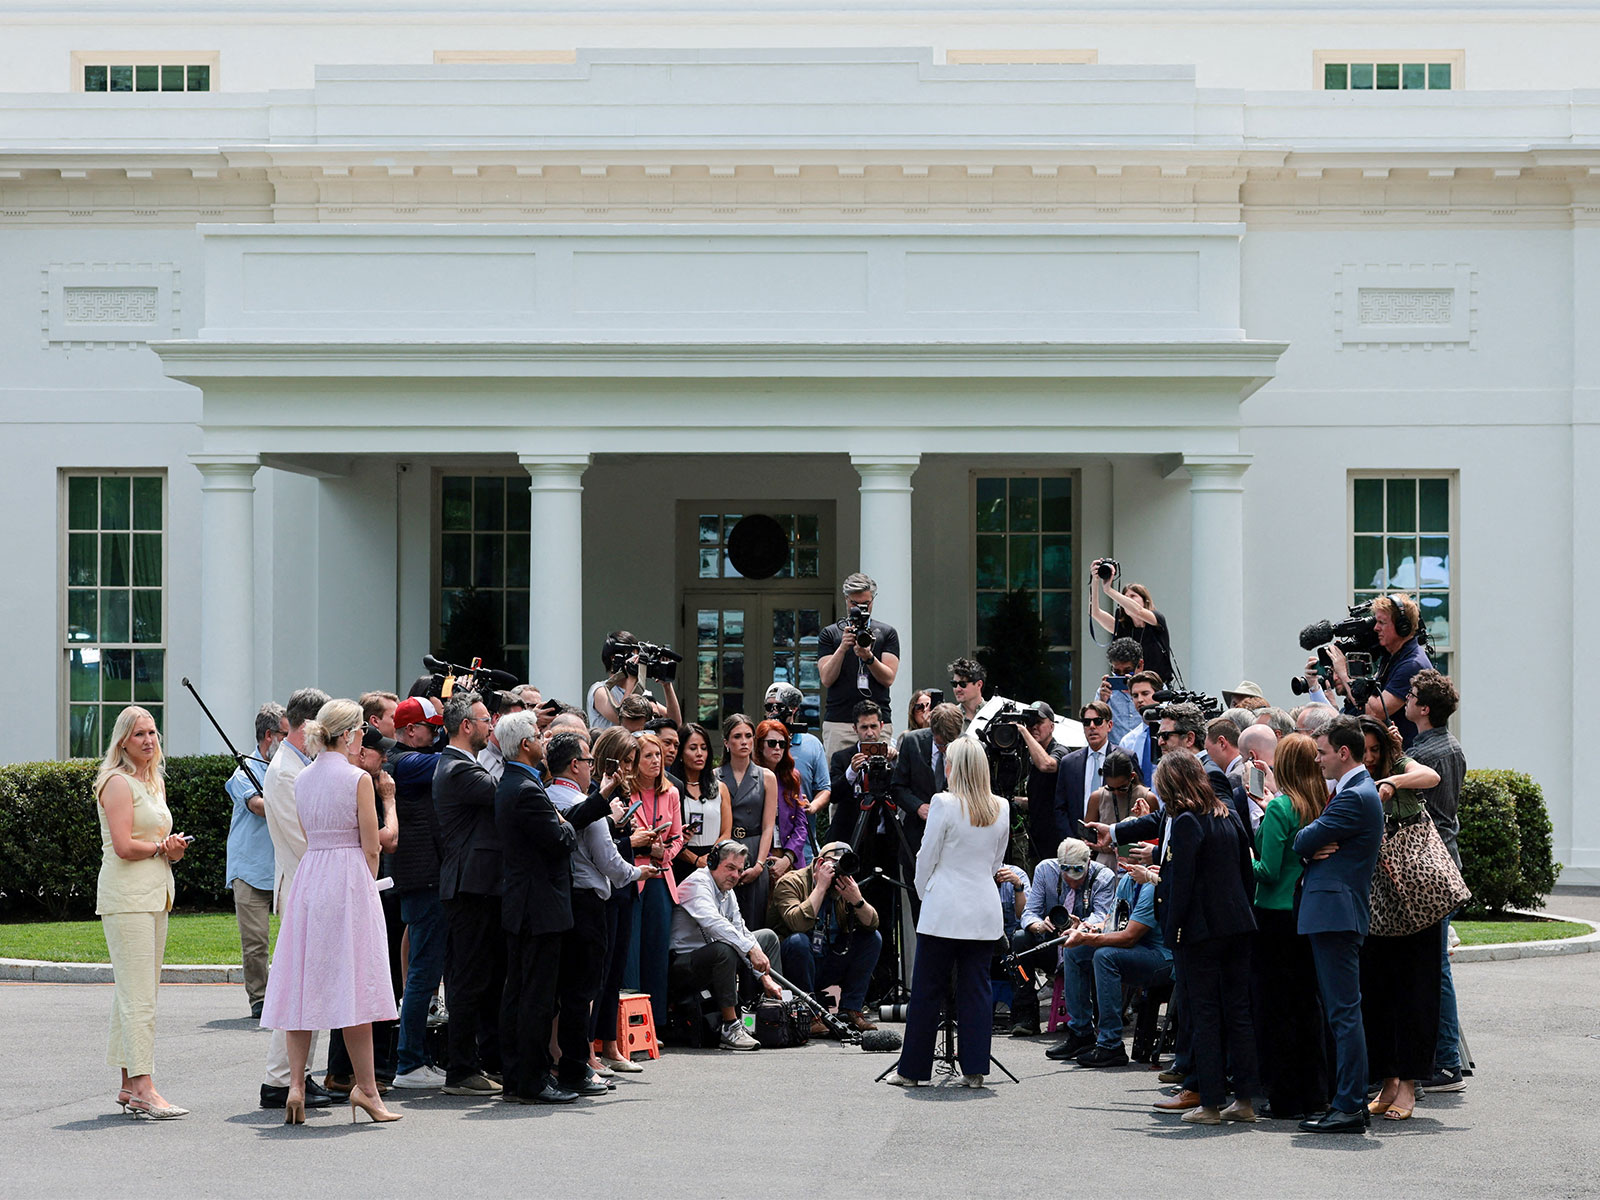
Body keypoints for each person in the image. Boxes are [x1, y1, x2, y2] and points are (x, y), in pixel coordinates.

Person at [260, 699, 401, 1125]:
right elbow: (371, 844)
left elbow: (306, 831)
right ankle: (368, 1090)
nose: (361, 739)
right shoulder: (358, 778)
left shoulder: (303, 778)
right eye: (359, 731)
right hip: (348, 878)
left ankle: (297, 1086)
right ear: (348, 734)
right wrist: (366, 879)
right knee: (354, 985)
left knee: (303, 982)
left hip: (311, 876)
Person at [888, 737, 1011, 1089]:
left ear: (956, 767)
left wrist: (926, 890)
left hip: (944, 905)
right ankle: (975, 1069)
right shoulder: (1000, 806)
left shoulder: (943, 802)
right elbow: (996, 863)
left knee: (927, 990)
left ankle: (911, 1071)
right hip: (982, 907)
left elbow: (926, 856)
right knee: (977, 990)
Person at [547, 728, 660, 1092]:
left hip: (558, 900)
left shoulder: (545, 796)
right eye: (588, 761)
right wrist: (640, 871)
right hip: (589, 901)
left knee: (559, 991)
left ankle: (560, 1061)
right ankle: (576, 1068)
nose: (591, 768)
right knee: (582, 992)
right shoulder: (589, 805)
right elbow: (610, 862)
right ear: (574, 765)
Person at [1153, 750, 1258, 1126]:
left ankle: (1211, 1103)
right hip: (1238, 925)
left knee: (1205, 1015)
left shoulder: (1185, 821)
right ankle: (1244, 1100)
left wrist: (1172, 929)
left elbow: (1180, 884)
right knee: (1238, 1013)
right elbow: (1247, 871)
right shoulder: (1226, 814)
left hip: (1199, 932)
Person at [1292, 715, 1386, 1134]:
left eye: (1323, 752)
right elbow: (1311, 840)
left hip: (1336, 913)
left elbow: (1302, 840)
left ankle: (1348, 1105)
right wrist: (1312, 843)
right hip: (1335, 912)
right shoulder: (1353, 792)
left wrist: (1310, 843)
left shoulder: (1355, 796)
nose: (1318, 760)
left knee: (1343, 1013)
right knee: (1342, 1012)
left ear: (1343, 752)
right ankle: (1348, 1102)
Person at [94, 706, 189, 1120]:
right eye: (140, 735)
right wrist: (160, 849)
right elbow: (123, 845)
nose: (149, 740)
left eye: (153, 733)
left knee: (135, 993)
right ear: (122, 742)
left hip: (155, 894)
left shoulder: (152, 782)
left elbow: (154, 840)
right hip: (127, 897)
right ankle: (146, 1087)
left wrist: (173, 849)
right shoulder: (116, 783)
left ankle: (128, 1086)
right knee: (138, 997)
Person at [1356, 715, 1443, 1123]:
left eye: (1376, 750)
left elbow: (1431, 777)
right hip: (1374, 901)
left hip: (1416, 898)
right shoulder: (1350, 781)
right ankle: (1389, 1081)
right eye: (1364, 751)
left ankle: (1408, 1083)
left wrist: (1393, 781)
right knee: (1377, 993)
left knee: (1416, 991)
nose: (1371, 758)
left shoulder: (1401, 766)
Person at [258, 686, 334, 1112]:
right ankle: (281, 1078)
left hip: (310, 882)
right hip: (302, 883)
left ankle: (295, 1074)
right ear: (306, 726)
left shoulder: (298, 764)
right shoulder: (286, 772)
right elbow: (303, 839)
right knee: (298, 986)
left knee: (309, 986)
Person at [1249, 733, 1331, 1121]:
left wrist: (1239, 859)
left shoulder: (1281, 807)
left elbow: (1267, 870)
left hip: (1274, 913)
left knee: (1276, 1010)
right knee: (1308, 1007)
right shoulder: (1320, 803)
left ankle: (1284, 1096)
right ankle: (1315, 1092)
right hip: (1307, 912)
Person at [432, 691, 505, 1097]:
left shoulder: (463, 765)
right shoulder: (458, 769)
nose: (490, 727)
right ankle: (460, 1069)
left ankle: (477, 1062)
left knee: (482, 977)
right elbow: (503, 793)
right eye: (484, 721)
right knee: (468, 980)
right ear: (466, 727)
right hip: (468, 886)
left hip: (477, 885)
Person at [1405, 669, 1470, 1093]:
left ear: (1424, 708)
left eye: (1410, 695)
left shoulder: (1430, 753)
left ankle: (1446, 1062)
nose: (1405, 700)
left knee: (1434, 968)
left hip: (1431, 865)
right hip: (1442, 861)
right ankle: (1445, 1057)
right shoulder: (1442, 746)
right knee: (1433, 967)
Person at [668, 839, 783, 1051]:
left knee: (766, 937)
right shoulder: (697, 883)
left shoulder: (727, 890)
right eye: (730, 867)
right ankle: (730, 1028)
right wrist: (751, 950)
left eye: (739, 870)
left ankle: (766, 1014)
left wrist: (765, 976)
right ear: (712, 862)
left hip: (713, 958)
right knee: (725, 949)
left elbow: (741, 929)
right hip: (684, 965)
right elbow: (714, 924)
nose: (735, 875)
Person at [387, 697, 448, 1091]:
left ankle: (418, 1058)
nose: (439, 733)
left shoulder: (408, 759)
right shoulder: (404, 763)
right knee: (422, 977)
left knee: (425, 976)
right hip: (422, 879)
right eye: (434, 726)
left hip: (424, 878)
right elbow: (452, 761)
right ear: (411, 730)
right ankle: (409, 1063)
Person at [1057, 860, 1172, 1068]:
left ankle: (1111, 1044)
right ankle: (1081, 1033)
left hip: (1163, 958)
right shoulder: (1127, 880)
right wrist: (1088, 928)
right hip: (1138, 951)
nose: (1122, 859)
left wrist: (1086, 938)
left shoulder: (1151, 885)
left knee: (1105, 956)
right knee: (1074, 950)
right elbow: (1112, 922)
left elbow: (1129, 937)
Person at [768, 841, 883, 1034]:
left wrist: (857, 900)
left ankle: (851, 1009)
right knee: (799, 941)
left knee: (872, 939)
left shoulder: (844, 887)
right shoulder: (791, 882)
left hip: (827, 958)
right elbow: (797, 924)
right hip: (795, 964)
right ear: (820, 863)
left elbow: (872, 923)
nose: (840, 873)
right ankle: (809, 1013)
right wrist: (820, 888)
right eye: (835, 865)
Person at [1018, 839, 1114, 1044]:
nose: (1073, 882)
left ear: (1088, 863)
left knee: (1095, 951)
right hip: (1051, 941)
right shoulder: (1045, 869)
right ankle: (1026, 1015)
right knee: (1019, 940)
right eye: (1067, 877)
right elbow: (1029, 912)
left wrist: (1082, 926)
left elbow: (1102, 915)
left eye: (1078, 878)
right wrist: (1039, 925)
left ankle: (1089, 1025)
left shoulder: (1103, 876)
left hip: (1085, 941)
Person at [224, 702, 286, 1019]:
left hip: (282, 867)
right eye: (284, 735)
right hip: (249, 869)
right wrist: (286, 798)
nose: (289, 741)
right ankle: (259, 998)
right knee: (256, 942)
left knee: (293, 937)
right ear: (268, 735)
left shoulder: (288, 767)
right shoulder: (242, 773)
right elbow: (258, 806)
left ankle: (287, 994)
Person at [628, 731, 684, 1033]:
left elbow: (676, 838)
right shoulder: (628, 792)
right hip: (634, 876)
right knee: (632, 951)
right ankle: (630, 1023)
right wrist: (650, 848)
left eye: (658, 756)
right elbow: (626, 837)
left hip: (661, 877)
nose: (655, 761)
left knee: (656, 951)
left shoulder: (672, 792)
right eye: (647, 755)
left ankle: (656, 1024)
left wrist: (665, 853)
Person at [1324, 593, 1432, 747]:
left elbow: (1375, 712)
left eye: (1382, 622)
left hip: (1406, 755)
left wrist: (1343, 670)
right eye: (1376, 622)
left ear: (1403, 627)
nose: (1376, 628)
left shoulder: (1413, 664)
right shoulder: (1392, 655)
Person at [816, 572, 901, 757]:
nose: (861, 608)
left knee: (879, 777)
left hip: (877, 721)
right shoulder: (830, 634)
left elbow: (888, 678)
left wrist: (869, 657)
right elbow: (826, 678)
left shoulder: (887, 633)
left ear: (873, 599)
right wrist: (843, 647)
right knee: (839, 778)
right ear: (846, 599)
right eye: (854, 603)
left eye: (865, 603)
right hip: (840, 721)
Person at [890, 702, 965, 903]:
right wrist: (918, 807)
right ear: (931, 731)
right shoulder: (912, 742)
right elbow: (897, 787)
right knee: (919, 905)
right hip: (917, 837)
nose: (945, 750)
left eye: (950, 745)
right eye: (941, 745)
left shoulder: (967, 747)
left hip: (955, 841)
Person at [716, 713, 779, 929]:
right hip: (725, 847)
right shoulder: (715, 776)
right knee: (723, 919)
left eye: (748, 736)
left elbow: (768, 825)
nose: (744, 741)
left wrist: (760, 865)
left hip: (754, 848)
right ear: (726, 742)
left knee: (753, 920)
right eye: (737, 736)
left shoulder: (766, 776)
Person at [764, 682, 831, 849]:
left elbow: (825, 788)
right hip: (765, 842)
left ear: (793, 708)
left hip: (803, 841)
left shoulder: (812, 744)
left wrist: (812, 806)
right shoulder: (759, 742)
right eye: (768, 706)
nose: (773, 712)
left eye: (778, 707)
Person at [1088, 559, 1173, 686]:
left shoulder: (1156, 619)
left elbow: (1138, 611)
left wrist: (1109, 590)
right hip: (1128, 688)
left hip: (1157, 687)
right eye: (1125, 597)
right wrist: (1095, 581)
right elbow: (1095, 613)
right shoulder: (1123, 627)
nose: (1127, 600)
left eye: (1133, 596)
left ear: (1145, 601)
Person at [826, 700, 896, 847]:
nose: (869, 733)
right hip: (850, 834)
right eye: (864, 727)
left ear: (881, 726)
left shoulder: (891, 756)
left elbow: (899, 791)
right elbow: (833, 795)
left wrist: (893, 763)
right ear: (855, 728)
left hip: (885, 836)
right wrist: (851, 772)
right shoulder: (842, 758)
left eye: (873, 726)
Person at [587, 630, 681, 731]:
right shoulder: (599, 690)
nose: (636, 662)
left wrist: (667, 685)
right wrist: (631, 678)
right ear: (614, 658)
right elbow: (623, 718)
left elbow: (674, 723)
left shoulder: (642, 692)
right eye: (632, 657)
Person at [674, 723, 732, 883]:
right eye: (693, 748)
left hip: (713, 861)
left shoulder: (721, 788)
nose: (699, 753)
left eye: (704, 748)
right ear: (680, 753)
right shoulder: (671, 788)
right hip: (679, 861)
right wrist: (694, 859)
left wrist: (710, 857)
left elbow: (726, 831)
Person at [1054, 701, 1113, 859]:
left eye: (1098, 721)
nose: (1092, 726)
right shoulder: (1069, 762)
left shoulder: (1123, 758)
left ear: (1109, 725)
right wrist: (1073, 842)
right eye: (1086, 722)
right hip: (1076, 846)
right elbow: (1060, 807)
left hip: (1111, 846)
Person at [1016, 702, 1068, 865]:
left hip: (1056, 839)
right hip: (1036, 837)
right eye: (1030, 723)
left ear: (1051, 726)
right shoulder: (1029, 756)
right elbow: (1038, 800)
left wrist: (1024, 732)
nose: (1034, 727)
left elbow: (1048, 765)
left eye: (1039, 722)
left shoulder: (1060, 750)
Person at [755, 719, 812, 866]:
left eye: (782, 744)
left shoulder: (792, 777)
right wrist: (766, 860)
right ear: (760, 745)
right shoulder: (751, 778)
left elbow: (801, 824)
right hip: (759, 857)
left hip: (790, 857)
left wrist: (787, 859)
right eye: (772, 743)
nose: (777, 748)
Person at [1116, 670, 1163, 783]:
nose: (1140, 700)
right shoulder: (1128, 742)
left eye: (1145, 693)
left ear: (1159, 695)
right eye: (1135, 696)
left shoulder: (1174, 735)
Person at [1097, 636, 1145, 742]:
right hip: (1116, 754)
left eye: (1128, 672)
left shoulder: (1154, 688)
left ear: (1140, 665)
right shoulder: (1106, 691)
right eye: (1117, 672)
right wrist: (1102, 702)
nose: (1123, 676)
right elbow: (1095, 726)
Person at [947, 658, 986, 728]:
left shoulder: (994, 713)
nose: (958, 689)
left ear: (979, 684)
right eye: (954, 684)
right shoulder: (949, 718)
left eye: (963, 684)